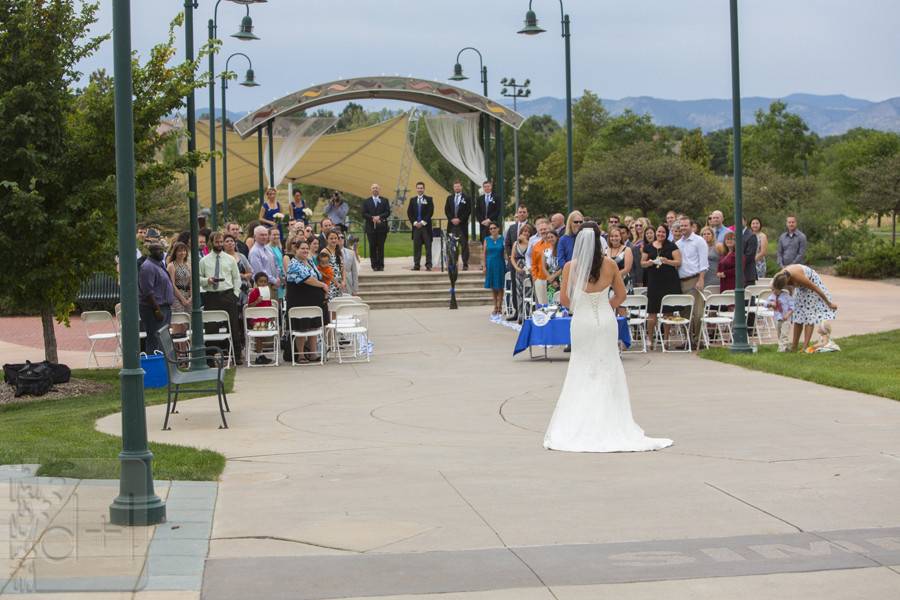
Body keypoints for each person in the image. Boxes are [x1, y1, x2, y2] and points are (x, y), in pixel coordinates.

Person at [543, 222, 673, 453]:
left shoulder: (570, 267)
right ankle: (610, 420)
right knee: (607, 366)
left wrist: (581, 306)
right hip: (604, 321)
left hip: (581, 322)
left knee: (581, 367)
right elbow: (621, 295)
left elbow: (563, 299)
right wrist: (605, 306)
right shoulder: (611, 264)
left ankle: (580, 420)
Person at [198, 232, 243, 360]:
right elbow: (198, 278)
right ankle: (211, 357)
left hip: (228, 294)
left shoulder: (230, 259)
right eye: (216, 242)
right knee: (211, 326)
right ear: (211, 243)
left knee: (233, 326)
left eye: (220, 242)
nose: (219, 244)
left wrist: (235, 294)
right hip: (211, 296)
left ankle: (237, 355)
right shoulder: (204, 261)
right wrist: (208, 280)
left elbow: (236, 278)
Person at [772, 264, 838, 352]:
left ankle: (805, 347)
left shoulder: (798, 277)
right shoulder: (779, 276)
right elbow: (780, 290)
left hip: (813, 285)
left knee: (809, 315)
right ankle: (794, 347)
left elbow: (815, 288)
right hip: (801, 288)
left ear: (787, 281)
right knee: (798, 315)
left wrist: (829, 303)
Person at [285, 239, 330, 362]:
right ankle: (301, 355)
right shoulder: (294, 264)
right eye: (302, 248)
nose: (305, 250)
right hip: (299, 301)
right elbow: (307, 279)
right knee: (301, 328)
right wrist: (322, 286)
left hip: (313, 301)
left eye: (306, 248)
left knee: (314, 327)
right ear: (296, 250)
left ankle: (313, 353)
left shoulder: (310, 261)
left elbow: (318, 276)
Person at [641, 224, 682, 343]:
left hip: (669, 281)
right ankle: (650, 338)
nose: (661, 234)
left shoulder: (672, 246)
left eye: (663, 232)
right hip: (654, 281)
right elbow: (642, 263)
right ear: (655, 233)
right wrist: (649, 263)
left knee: (668, 311)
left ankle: (666, 339)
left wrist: (667, 261)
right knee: (652, 311)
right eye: (659, 232)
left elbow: (678, 262)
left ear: (667, 234)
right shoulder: (648, 247)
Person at [675, 215, 709, 344]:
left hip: (694, 280)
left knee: (698, 313)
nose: (683, 228)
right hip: (681, 281)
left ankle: (698, 340)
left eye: (685, 225)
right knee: (684, 313)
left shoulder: (699, 241)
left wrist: (701, 279)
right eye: (681, 226)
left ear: (691, 226)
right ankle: (687, 340)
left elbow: (704, 263)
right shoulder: (677, 244)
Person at [138, 243, 174, 355]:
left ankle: (163, 365)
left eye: (161, 250)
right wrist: (157, 310)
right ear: (150, 252)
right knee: (154, 339)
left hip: (165, 307)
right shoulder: (147, 267)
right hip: (153, 309)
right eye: (157, 250)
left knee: (163, 339)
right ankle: (153, 365)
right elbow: (148, 292)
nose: (161, 252)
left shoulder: (159, 265)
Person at [504, 205, 529, 321]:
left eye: (524, 212)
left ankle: (527, 312)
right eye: (520, 212)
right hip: (514, 262)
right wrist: (511, 257)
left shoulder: (531, 228)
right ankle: (517, 312)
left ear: (527, 214)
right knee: (515, 287)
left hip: (527, 262)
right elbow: (507, 243)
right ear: (517, 214)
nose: (522, 214)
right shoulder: (512, 228)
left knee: (527, 287)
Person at [246, 272, 275, 364]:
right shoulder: (254, 292)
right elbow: (249, 306)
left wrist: (271, 317)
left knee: (263, 337)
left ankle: (261, 354)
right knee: (259, 337)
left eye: (265, 282)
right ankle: (258, 356)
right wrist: (257, 301)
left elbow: (269, 305)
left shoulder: (267, 291)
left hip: (266, 318)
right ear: (256, 282)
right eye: (261, 282)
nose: (263, 284)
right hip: (257, 319)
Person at [362, 183, 391, 271]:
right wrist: (372, 218)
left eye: (376, 188)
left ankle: (381, 265)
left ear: (379, 190)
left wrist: (379, 217)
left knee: (381, 246)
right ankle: (374, 265)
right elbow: (363, 213)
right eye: (373, 188)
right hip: (370, 228)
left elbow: (387, 212)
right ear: (371, 190)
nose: (375, 189)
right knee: (372, 246)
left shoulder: (384, 200)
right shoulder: (366, 201)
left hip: (382, 228)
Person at [507, 224, 533, 323]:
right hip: (518, 267)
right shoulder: (515, 243)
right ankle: (520, 314)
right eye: (524, 231)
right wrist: (516, 267)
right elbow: (512, 257)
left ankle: (528, 314)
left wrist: (527, 241)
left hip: (528, 268)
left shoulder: (532, 243)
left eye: (527, 231)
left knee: (528, 291)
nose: (525, 233)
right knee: (518, 292)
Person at [444, 180, 472, 270]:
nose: (457, 188)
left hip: (462, 226)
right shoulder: (449, 198)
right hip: (452, 226)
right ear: (453, 188)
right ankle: (453, 263)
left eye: (458, 186)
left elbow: (468, 211)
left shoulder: (467, 198)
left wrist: (459, 219)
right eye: (455, 186)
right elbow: (447, 210)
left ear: (461, 187)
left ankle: (465, 264)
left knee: (464, 245)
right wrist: (452, 219)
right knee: (452, 245)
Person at [406, 181, 434, 271]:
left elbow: (430, 212)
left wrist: (422, 222)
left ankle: (428, 265)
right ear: (416, 189)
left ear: (424, 189)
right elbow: (409, 213)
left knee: (428, 247)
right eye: (418, 188)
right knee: (417, 247)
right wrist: (414, 223)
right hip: (416, 228)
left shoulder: (429, 199)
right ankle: (416, 265)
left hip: (426, 227)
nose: (420, 189)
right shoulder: (412, 200)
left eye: (421, 188)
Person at [482, 222, 505, 316]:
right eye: (490, 229)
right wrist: (484, 266)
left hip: (500, 264)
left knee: (500, 286)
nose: (492, 230)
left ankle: (500, 306)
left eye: (494, 228)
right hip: (490, 264)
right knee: (493, 286)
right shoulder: (486, 239)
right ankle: (495, 306)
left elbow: (506, 252)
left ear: (498, 229)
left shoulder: (503, 238)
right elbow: (484, 253)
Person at [223, 234, 252, 306]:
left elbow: (250, 273)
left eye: (232, 241)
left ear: (235, 243)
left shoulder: (242, 256)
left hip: (243, 289)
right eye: (227, 241)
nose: (230, 243)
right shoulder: (222, 258)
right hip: (229, 290)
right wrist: (238, 275)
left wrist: (244, 276)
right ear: (223, 244)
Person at [530, 220, 553, 305]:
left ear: (549, 229)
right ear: (538, 232)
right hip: (540, 278)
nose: (543, 231)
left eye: (545, 229)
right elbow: (533, 263)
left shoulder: (554, 243)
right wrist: (535, 277)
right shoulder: (536, 246)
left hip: (553, 278)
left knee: (552, 303)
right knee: (542, 304)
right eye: (541, 230)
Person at [765, 283, 794, 352]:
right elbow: (765, 304)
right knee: (779, 334)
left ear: (779, 288)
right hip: (777, 318)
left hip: (786, 318)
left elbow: (792, 306)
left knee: (784, 334)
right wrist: (770, 304)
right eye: (772, 290)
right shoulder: (772, 297)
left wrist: (788, 314)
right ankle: (786, 347)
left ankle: (781, 349)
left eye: (774, 289)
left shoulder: (786, 296)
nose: (773, 291)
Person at [166, 242, 192, 318]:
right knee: (179, 320)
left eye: (184, 250)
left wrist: (191, 297)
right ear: (175, 252)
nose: (182, 253)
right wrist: (182, 299)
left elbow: (191, 282)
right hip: (176, 296)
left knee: (189, 320)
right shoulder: (171, 265)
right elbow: (172, 285)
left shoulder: (188, 264)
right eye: (180, 251)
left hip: (188, 295)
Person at [607, 226, 633, 294]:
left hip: (623, 281)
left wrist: (613, 276)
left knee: (624, 304)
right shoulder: (605, 250)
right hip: (608, 283)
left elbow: (627, 269)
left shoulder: (627, 250)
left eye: (616, 236)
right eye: (612, 236)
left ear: (620, 237)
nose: (614, 238)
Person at [323, 230, 346, 300]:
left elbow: (342, 268)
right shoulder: (325, 251)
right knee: (331, 308)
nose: (334, 240)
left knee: (338, 308)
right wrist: (336, 283)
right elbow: (324, 271)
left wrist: (344, 281)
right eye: (331, 238)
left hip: (339, 285)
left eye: (335, 238)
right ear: (327, 240)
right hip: (330, 285)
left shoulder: (338, 252)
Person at [543, 230, 562, 303]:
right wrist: (551, 278)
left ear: (557, 237)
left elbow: (564, 265)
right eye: (548, 238)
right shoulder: (546, 251)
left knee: (560, 300)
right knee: (551, 301)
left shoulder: (561, 249)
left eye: (552, 237)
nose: (550, 239)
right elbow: (544, 267)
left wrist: (554, 276)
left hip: (561, 276)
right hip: (550, 278)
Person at [269, 228, 286, 302]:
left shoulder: (278, 247)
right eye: (274, 234)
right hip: (276, 279)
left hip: (282, 278)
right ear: (269, 236)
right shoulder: (268, 249)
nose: (276, 236)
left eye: (278, 234)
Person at [741, 218, 759, 286]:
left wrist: (735, 263)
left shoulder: (751, 235)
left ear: (745, 222)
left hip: (748, 274)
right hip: (738, 274)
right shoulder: (735, 234)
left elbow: (750, 255)